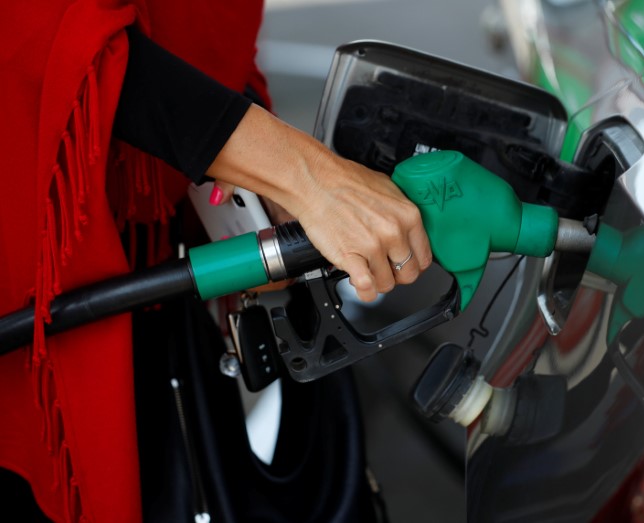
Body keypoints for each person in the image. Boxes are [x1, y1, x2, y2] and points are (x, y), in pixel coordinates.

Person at [0, 1, 430, 521]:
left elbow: (198, 29)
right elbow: (37, 31)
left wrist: (257, 167)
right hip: (35, 263)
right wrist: (306, 175)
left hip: (141, 241)